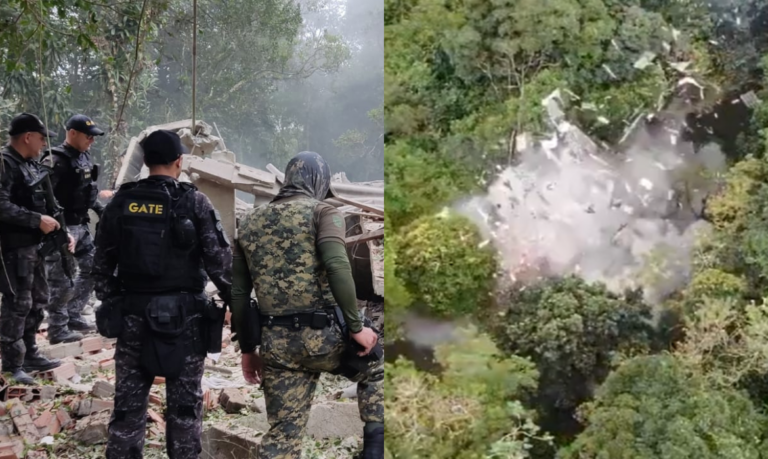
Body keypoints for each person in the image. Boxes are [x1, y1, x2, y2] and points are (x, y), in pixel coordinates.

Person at [232, 151, 384, 459]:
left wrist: (248, 349)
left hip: (276, 345)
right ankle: (374, 452)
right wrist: (356, 327)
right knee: (378, 370)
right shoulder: (324, 212)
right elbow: (338, 266)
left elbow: (238, 292)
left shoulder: (248, 222)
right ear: (319, 181)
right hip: (325, 339)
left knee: (283, 435)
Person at [91, 129, 232, 459]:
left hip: (132, 317)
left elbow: (100, 263)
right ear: (179, 162)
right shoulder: (194, 201)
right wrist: (238, 305)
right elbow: (220, 265)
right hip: (185, 322)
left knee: (127, 409)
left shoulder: (122, 201)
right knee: (184, 411)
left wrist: (115, 301)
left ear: (147, 162)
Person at [0, 113, 74, 385]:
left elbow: (50, 206)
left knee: (38, 300)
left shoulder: (30, 165)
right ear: (27, 137)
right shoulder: (5, 163)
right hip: (12, 248)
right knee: (17, 304)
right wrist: (35, 220)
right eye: (42, 139)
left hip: (34, 247)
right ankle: (12, 363)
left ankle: (30, 352)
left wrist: (62, 234)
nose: (44, 145)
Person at [42, 114, 108, 344]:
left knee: (93, 267)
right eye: (88, 136)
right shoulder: (55, 160)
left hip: (81, 225)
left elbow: (88, 190)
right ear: (72, 133)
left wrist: (101, 210)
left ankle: (73, 314)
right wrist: (57, 228)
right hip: (61, 228)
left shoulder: (84, 157)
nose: (92, 140)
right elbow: (43, 199)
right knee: (63, 278)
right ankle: (57, 329)